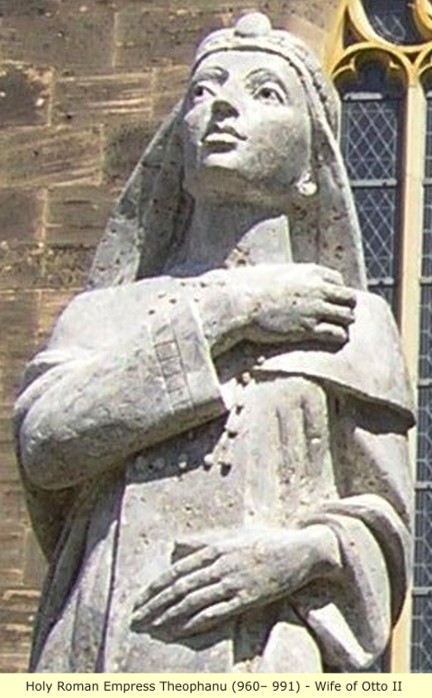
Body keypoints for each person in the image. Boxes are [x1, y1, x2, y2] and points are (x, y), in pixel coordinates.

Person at [15, 13, 413, 673]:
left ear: (311, 169)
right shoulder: (103, 314)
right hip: (102, 647)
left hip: (264, 654)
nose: (222, 105)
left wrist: (301, 555)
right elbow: (48, 446)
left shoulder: (352, 323)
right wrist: (231, 313)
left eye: (265, 93)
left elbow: (384, 524)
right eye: (204, 91)